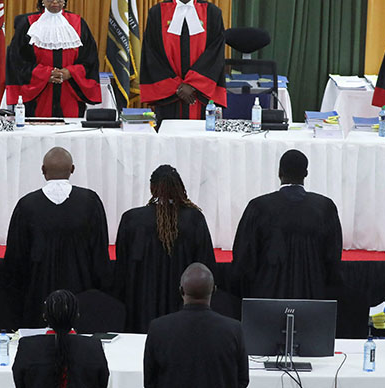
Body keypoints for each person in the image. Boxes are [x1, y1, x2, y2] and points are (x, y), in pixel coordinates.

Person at [3, 147, 110, 327]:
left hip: (37, 298)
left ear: (43, 171)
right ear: (72, 169)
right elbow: (100, 254)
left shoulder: (27, 205)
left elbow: (15, 259)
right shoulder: (90, 202)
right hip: (81, 296)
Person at [114, 165, 216, 332]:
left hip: (141, 311)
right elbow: (206, 267)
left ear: (152, 188)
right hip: (183, 312)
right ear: (180, 187)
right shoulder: (194, 219)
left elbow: (121, 272)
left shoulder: (132, 219)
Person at [232, 149, 342, 299]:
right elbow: (333, 260)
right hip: (313, 299)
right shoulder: (324, 208)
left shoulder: (258, 207)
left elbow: (243, 260)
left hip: (266, 300)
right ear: (306, 173)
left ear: (279, 172)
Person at [140, 0, 227, 122]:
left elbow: (215, 54)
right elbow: (151, 54)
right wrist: (177, 87)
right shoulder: (157, 13)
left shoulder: (212, 14)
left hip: (199, 96)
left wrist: (192, 85)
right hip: (168, 96)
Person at [5, 0, 102, 117]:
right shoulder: (27, 24)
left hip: (71, 93)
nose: (55, 2)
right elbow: (16, 60)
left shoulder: (79, 24)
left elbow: (90, 60)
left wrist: (70, 72)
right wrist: (45, 74)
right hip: (36, 96)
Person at [143, 263, 248, 388]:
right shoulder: (234, 330)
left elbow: (149, 381)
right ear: (213, 290)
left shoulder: (158, 329)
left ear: (181, 291)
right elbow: (242, 380)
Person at [12, 290, 110, 388]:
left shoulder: (28, 346)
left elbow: (19, 382)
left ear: (44, 316)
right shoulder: (93, 346)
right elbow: (102, 381)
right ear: (77, 316)